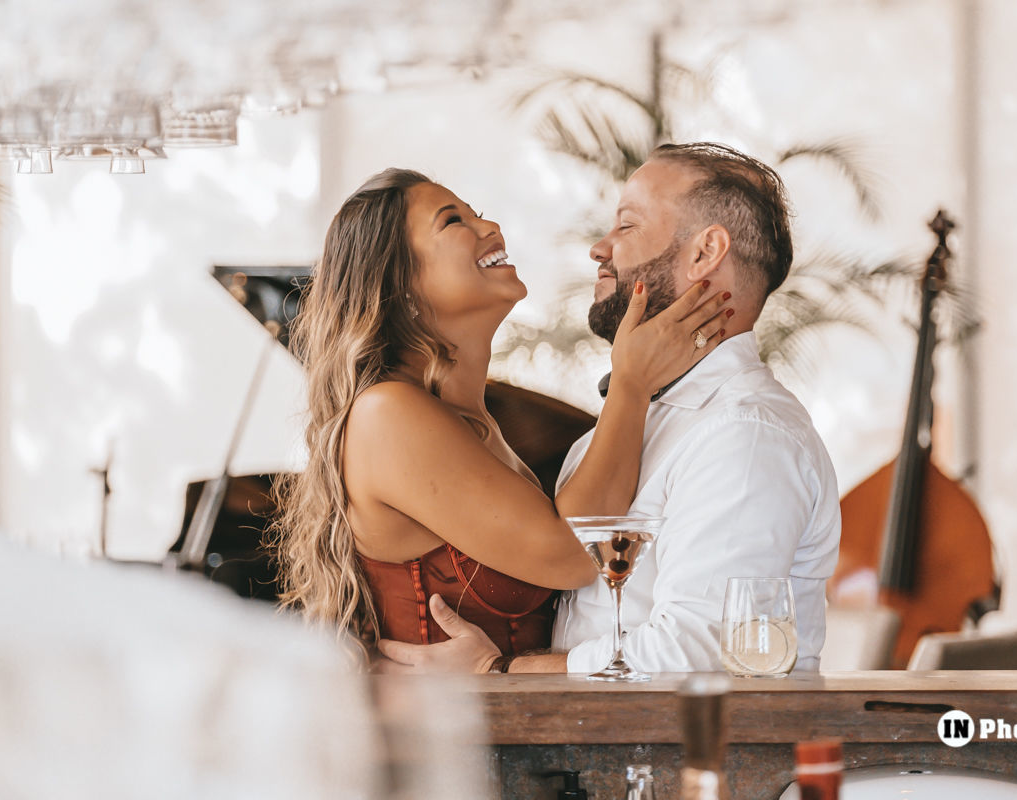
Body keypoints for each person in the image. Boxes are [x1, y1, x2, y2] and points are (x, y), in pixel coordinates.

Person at [376, 143, 842, 674]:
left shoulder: (744, 435)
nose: (600, 249)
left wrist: (502, 670)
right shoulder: (630, 424)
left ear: (705, 253)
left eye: (627, 225)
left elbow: (697, 651)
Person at [269, 168, 733, 661]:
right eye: (453, 221)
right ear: (399, 283)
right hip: (452, 715)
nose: (491, 228)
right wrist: (631, 383)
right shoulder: (387, 414)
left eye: (479, 215)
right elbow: (578, 553)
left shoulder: (473, 422)